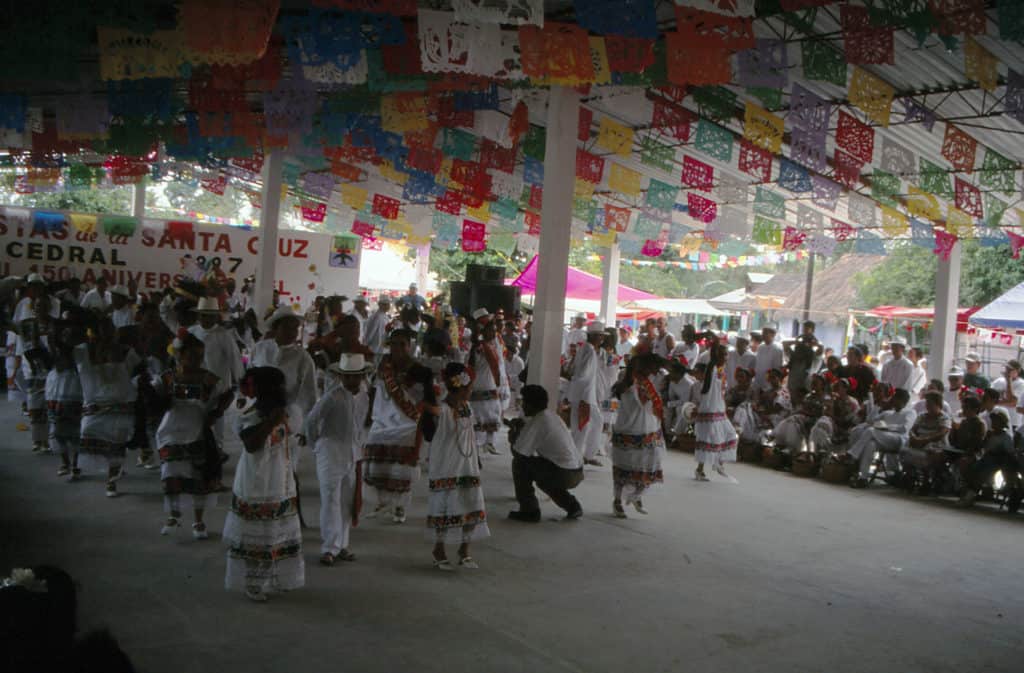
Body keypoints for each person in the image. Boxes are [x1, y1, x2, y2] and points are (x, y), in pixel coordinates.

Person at [224, 367, 304, 602]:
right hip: (255, 480)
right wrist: (270, 422)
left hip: (281, 477)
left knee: (276, 531)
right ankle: (253, 582)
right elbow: (251, 445)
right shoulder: (249, 415)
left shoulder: (291, 412)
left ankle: (272, 578)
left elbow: (292, 440)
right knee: (257, 531)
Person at [155, 332, 232, 539]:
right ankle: (174, 514)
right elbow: (152, 395)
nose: (197, 361)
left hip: (197, 430)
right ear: (179, 355)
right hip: (169, 430)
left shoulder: (208, 378)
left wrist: (216, 413)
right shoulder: (168, 377)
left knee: (197, 474)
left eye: (200, 356)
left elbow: (228, 392)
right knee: (171, 472)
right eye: (192, 356)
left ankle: (198, 521)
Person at [305, 353, 370, 566]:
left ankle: (342, 545)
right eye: (347, 376)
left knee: (346, 501)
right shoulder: (332, 396)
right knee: (330, 499)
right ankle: (329, 548)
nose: (352, 380)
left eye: (356, 376)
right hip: (330, 452)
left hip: (351, 453)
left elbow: (359, 426)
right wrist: (316, 445)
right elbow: (311, 421)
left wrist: (360, 448)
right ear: (341, 377)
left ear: (362, 376)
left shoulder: (364, 397)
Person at [424, 362, 490, 570]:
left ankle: (464, 550)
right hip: (447, 464)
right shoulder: (443, 410)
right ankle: (439, 549)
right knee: (446, 506)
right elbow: (429, 412)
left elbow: (469, 435)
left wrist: (476, 458)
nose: (471, 391)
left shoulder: (466, 407)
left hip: (467, 464)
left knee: (471, 502)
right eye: (469, 387)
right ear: (460, 386)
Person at [363, 329, 431, 523]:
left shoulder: (417, 368)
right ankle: (382, 502)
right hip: (382, 419)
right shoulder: (384, 365)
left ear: (409, 346)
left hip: (406, 423)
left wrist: (407, 385)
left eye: (402, 344)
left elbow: (424, 396)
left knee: (401, 469)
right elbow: (375, 390)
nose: (398, 348)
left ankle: (400, 506)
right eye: (394, 344)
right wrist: (369, 413)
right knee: (377, 464)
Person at [74, 318, 141, 497]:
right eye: (102, 331)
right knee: (87, 432)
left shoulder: (126, 351)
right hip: (94, 406)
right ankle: (79, 466)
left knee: (118, 442)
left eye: (110, 331)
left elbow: (140, 372)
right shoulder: (82, 351)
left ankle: (112, 480)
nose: (106, 335)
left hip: (121, 405)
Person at [507, 384, 584, 522]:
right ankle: (572, 506)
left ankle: (529, 511)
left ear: (530, 404)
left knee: (520, 465)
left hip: (564, 473)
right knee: (544, 478)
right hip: (576, 472)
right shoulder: (551, 416)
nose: (522, 405)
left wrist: (513, 436)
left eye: (524, 402)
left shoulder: (538, 422)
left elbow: (519, 454)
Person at [609, 352, 666, 518]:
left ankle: (636, 495)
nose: (654, 370)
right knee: (623, 468)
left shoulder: (649, 381)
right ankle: (618, 501)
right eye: (651, 367)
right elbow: (632, 399)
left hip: (647, 428)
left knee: (649, 464)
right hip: (628, 428)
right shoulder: (627, 381)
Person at [189, 296, 244, 449]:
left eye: (210, 315)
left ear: (216, 316)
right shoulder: (191, 332)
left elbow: (235, 361)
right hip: (195, 385)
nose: (206, 318)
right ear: (199, 315)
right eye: (203, 315)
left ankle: (217, 452)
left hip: (219, 388)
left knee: (216, 423)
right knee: (195, 420)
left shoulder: (224, 335)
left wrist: (241, 391)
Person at [13, 274, 59, 452]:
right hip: (32, 366)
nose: (41, 308)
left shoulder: (54, 324)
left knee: (48, 405)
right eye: (38, 306)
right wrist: (21, 361)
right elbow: (22, 342)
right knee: (34, 406)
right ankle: (36, 440)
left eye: (44, 306)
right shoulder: (27, 323)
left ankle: (46, 440)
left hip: (51, 367)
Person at [848, 389, 916, 488]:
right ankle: (863, 477)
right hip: (883, 438)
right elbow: (870, 420)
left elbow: (905, 428)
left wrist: (887, 427)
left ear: (902, 400)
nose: (893, 400)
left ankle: (852, 454)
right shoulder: (888, 413)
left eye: (895, 398)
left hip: (899, 439)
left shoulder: (910, 412)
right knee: (870, 444)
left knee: (871, 431)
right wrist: (878, 406)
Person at [694, 340, 739, 480]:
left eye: (726, 355)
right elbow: (706, 388)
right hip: (709, 409)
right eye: (723, 355)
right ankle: (700, 470)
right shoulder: (711, 368)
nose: (726, 357)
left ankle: (718, 462)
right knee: (708, 439)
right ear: (716, 356)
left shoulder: (721, 371)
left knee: (730, 434)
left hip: (719, 409)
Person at [959, 408, 1018, 508]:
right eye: (993, 421)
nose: (994, 423)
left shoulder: (1005, 437)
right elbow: (982, 447)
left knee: (982, 472)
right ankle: (967, 490)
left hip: (997, 461)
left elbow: (1009, 452)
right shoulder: (990, 434)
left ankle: (971, 493)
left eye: (996, 422)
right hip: (986, 457)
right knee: (970, 467)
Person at [46, 323, 83, 479]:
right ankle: (65, 462)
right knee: (58, 431)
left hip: (74, 393)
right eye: (65, 335)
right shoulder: (56, 353)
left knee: (75, 432)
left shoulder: (79, 352)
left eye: (70, 336)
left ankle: (75, 464)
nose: (67, 338)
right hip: (55, 392)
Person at [567, 321, 606, 467]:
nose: (602, 339)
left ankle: (588, 455)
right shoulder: (589, 350)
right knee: (581, 427)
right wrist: (579, 383)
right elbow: (583, 373)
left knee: (595, 422)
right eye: (601, 336)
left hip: (585, 395)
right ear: (595, 336)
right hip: (584, 396)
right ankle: (576, 458)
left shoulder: (585, 348)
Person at [468, 309, 504, 455]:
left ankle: (489, 443)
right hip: (481, 382)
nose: (494, 333)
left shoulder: (493, 343)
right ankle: (476, 445)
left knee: (492, 413)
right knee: (479, 414)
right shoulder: (479, 347)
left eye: (494, 330)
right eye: (491, 330)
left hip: (490, 382)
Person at [783, 321, 823, 399]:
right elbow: (784, 344)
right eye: (799, 348)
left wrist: (814, 343)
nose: (800, 349)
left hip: (805, 391)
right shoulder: (793, 358)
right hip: (792, 389)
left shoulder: (813, 359)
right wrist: (796, 341)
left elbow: (821, 349)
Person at [991, 360, 1024, 435]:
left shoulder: (1021, 384)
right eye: (1007, 368)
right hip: (995, 420)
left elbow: (1013, 402)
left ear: (1017, 371)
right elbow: (989, 396)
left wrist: (1009, 380)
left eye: (1010, 369)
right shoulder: (998, 381)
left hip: (1012, 422)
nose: (1007, 371)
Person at [754, 325, 784, 391]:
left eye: (765, 333)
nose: (763, 335)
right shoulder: (760, 347)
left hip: (769, 384)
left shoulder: (777, 349)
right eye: (763, 333)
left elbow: (777, 368)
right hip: (758, 381)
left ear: (773, 334)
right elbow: (757, 365)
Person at [363, 296, 392, 363]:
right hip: (374, 349)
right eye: (385, 304)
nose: (387, 306)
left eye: (388, 304)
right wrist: (366, 346)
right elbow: (370, 333)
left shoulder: (385, 316)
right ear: (380, 305)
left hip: (381, 348)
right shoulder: (376, 317)